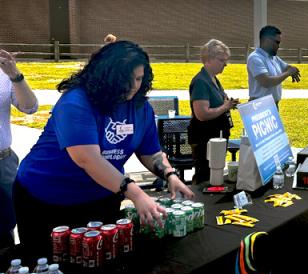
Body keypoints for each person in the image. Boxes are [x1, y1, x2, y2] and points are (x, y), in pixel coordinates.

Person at [13, 41, 194, 259]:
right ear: (105, 76)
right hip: (46, 198)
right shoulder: (76, 101)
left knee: (101, 261)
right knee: (49, 264)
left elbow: (151, 152)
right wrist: (136, 193)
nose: (132, 86)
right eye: (124, 79)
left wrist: (169, 174)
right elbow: (87, 159)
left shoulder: (140, 107)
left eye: (138, 79)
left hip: (101, 195)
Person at [0, 49, 38, 249]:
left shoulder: (4, 72)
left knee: (4, 228)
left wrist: (15, 76)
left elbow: (30, 107)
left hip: (2, 162)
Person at [188, 39, 239, 184]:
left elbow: (218, 103)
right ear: (209, 60)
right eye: (222, 60)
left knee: (214, 175)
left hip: (216, 136)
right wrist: (225, 107)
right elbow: (202, 114)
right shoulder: (201, 82)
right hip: (205, 139)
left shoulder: (212, 79)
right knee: (204, 176)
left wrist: (228, 103)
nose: (225, 64)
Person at [247, 25, 301, 107]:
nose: (279, 46)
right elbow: (266, 82)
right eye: (277, 42)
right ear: (267, 41)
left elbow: (287, 67)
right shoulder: (255, 58)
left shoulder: (274, 58)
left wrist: (293, 70)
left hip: (273, 106)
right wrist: (288, 73)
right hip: (259, 107)